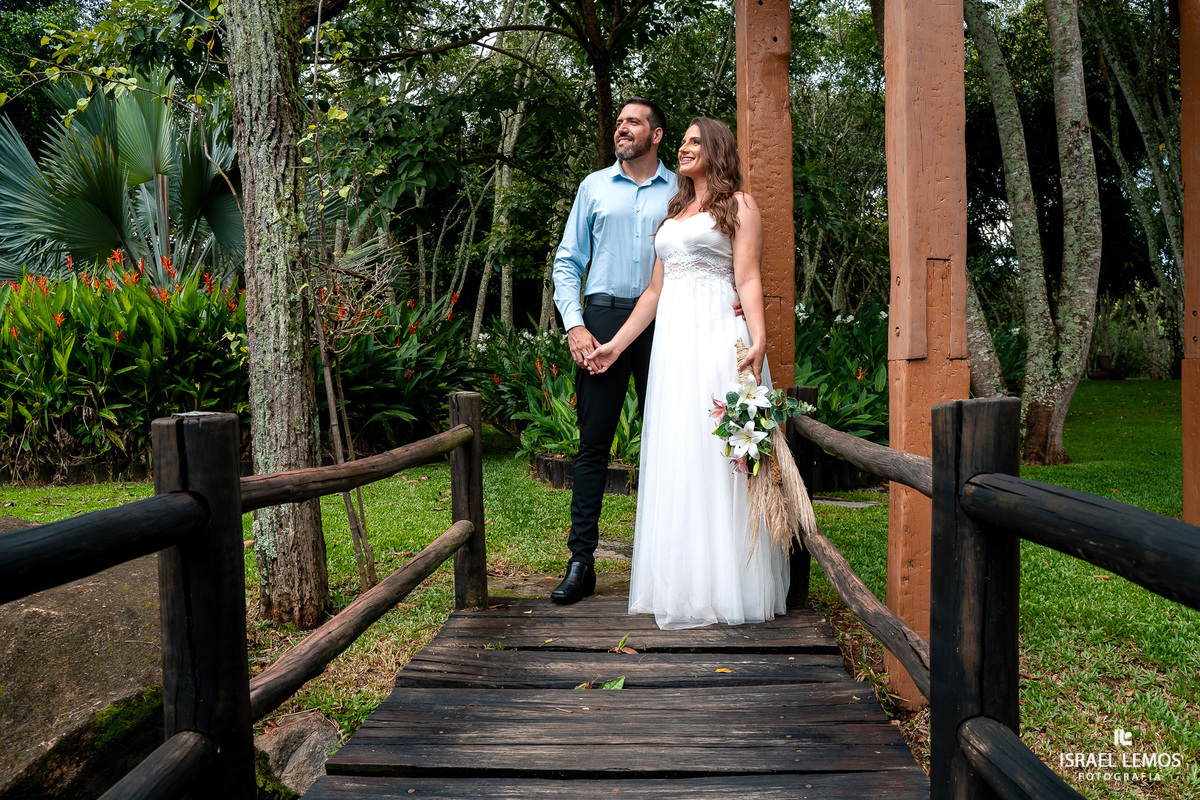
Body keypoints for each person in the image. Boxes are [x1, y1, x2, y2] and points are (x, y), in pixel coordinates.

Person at [585, 117, 789, 629]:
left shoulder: (739, 205)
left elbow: (746, 275)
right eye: (682, 141)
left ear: (716, 149)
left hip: (717, 340)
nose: (684, 147)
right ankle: (681, 580)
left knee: (714, 453)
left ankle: (726, 584)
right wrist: (613, 345)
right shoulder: (674, 211)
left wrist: (760, 340)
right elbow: (653, 293)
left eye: (695, 141)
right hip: (674, 350)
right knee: (679, 455)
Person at [549, 98, 676, 604]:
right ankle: (581, 562)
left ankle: (665, 561)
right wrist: (576, 326)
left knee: (666, 444)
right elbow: (566, 262)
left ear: (657, 134)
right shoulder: (594, 186)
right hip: (600, 318)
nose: (621, 129)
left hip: (666, 323)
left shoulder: (682, 188)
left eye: (632, 122)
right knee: (593, 444)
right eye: (619, 122)